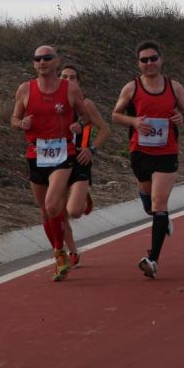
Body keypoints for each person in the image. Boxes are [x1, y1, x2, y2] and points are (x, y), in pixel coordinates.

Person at [112, 41, 184, 279]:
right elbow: (115, 115)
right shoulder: (132, 88)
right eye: (144, 60)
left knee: (159, 203)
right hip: (140, 152)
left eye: (153, 58)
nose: (149, 63)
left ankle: (153, 259)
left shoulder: (174, 87)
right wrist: (134, 122)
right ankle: (162, 219)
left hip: (167, 152)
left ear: (161, 59)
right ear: (138, 63)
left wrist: (182, 117)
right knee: (150, 206)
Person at [11, 46, 88, 281]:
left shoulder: (70, 89)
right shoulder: (25, 89)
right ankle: (59, 253)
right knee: (45, 212)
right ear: (34, 64)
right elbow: (14, 119)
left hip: (63, 153)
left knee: (53, 204)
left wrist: (78, 125)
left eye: (47, 58)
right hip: (36, 153)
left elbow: (85, 116)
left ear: (56, 62)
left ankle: (60, 253)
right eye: (37, 58)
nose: (42, 61)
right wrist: (21, 123)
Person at [59, 65, 111, 268]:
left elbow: (105, 130)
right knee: (59, 213)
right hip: (57, 162)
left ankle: (82, 197)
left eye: (73, 77)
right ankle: (72, 251)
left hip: (80, 160)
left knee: (74, 211)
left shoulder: (86, 104)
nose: (69, 80)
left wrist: (91, 149)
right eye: (64, 77)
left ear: (79, 82)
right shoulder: (50, 103)